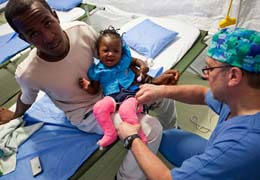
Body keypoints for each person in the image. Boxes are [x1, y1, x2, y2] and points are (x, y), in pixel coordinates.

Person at [0, 0, 179, 179]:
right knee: (151, 128)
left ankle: (173, 133)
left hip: (109, 91)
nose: (48, 37)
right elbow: (26, 97)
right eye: (33, 33)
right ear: (24, 38)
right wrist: (14, 115)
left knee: (161, 92)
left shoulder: (80, 30)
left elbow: (107, 57)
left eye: (47, 23)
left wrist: (135, 62)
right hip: (87, 113)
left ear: (55, 16)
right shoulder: (29, 73)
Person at [117, 27, 260, 180]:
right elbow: (202, 94)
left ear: (234, 76)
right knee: (167, 137)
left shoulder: (242, 143)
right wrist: (162, 90)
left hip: (234, 163)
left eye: (209, 69)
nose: (206, 76)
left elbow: (166, 178)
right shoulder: (242, 97)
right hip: (220, 149)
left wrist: (132, 139)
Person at [79, 27, 152, 148]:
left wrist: (143, 66)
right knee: (99, 108)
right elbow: (95, 89)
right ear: (98, 52)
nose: (111, 54)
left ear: (121, 52)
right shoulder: (97, 71)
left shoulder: (124, 61)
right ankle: (110, 133)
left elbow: (137, 61)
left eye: (115, 51)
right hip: (112, 97)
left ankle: (139, 134)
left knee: (125, 110)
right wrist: (87, 87)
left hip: (131, 93)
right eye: (106, 50)